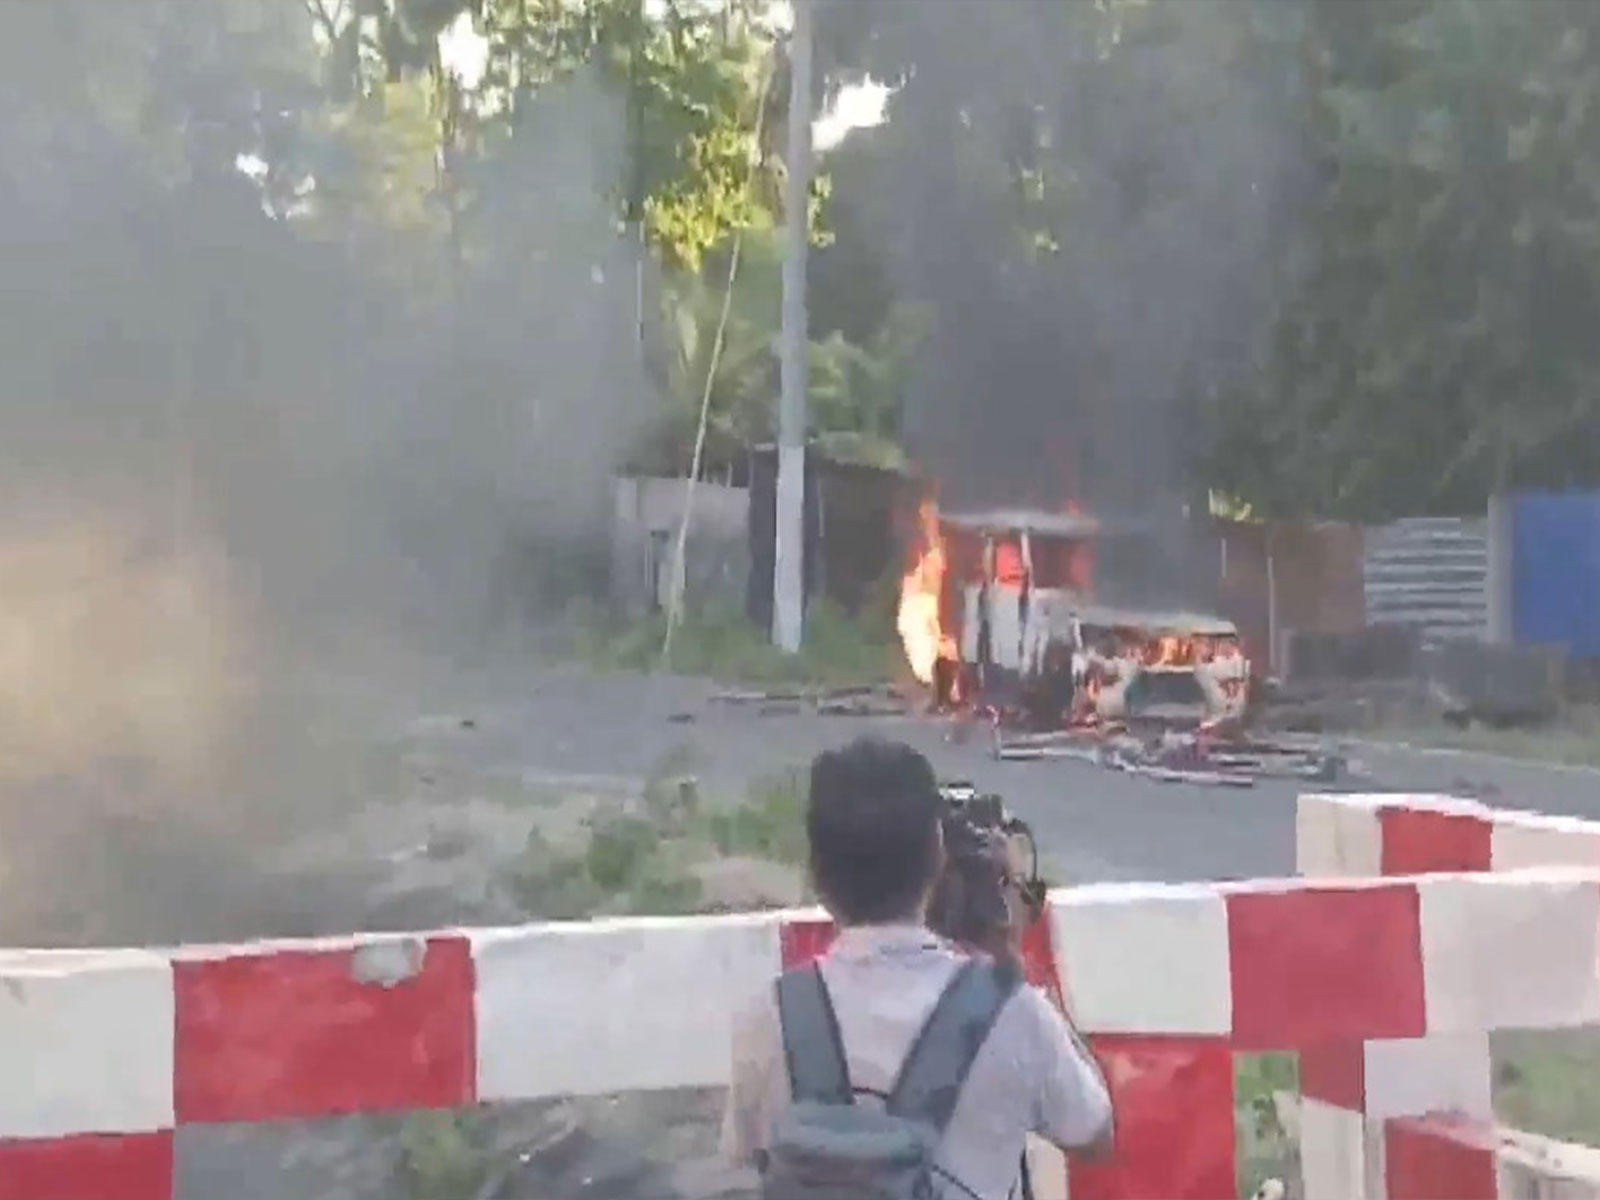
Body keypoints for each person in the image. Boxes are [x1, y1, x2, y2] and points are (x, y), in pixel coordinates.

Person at [720, 737, 1113, 1200]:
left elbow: (744, 1160)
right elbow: (1095, 1135)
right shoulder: (1015, 1016)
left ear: (817, 875)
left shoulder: (769, 1018)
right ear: (937, 853)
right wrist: (1009, 961)